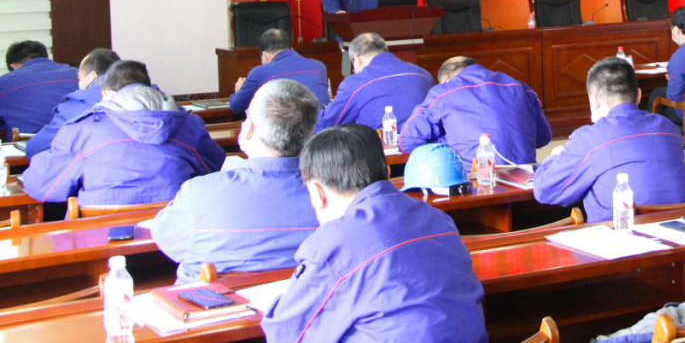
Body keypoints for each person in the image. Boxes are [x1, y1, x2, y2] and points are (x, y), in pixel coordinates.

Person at [261, 125, 486, 343]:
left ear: (317, 192)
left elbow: (286, 333)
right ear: (387, 173)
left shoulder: (335, 241)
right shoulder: (438, 218)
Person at [153, 79, 321, 282]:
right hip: (306, 299)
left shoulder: (199, 194)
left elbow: (166, 241)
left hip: (215, 301)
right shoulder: (332, 196)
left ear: (249, 128)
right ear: (312, 134)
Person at [21, 60, 225, 206]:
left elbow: (44, 187)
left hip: (100, 231)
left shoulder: (84, 128)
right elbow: (213, 170)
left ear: (106, 94)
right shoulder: (188, 124)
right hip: (172, 228)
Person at [534, 57, 685, 221]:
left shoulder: (589, 138)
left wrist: (554, 157)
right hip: (684, 228)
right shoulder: (668, 127)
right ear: (638, 96)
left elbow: (545, 191)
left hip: (622, 232)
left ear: (594, 100)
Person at [399, 57, 551, 166]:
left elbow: (407, 142)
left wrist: (448, 142)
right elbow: (543, 138)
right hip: (526, 178)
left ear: (446, 79)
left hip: (474, 180)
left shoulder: (442, 92)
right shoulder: (521, 87)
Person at [316, 33, 433, 131]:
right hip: (429, 146)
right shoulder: (424, 74)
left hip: (381, 149)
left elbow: (327, 123)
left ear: (357, 59)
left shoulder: (355, 84)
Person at [26, 48, 120, 157]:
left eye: (79, 78)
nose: (79, 82)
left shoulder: (78, 104)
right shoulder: (135, 97)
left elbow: (36, 148)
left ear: (93, 76)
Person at [229, 28, 330, 114]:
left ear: (264, 55)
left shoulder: (259, 73)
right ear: (292, 48)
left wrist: (239, 92)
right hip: (321, 129)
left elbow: (236, 106)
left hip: (286, 129)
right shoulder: (319, 67)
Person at [0, 40, 78, 136]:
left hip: (28, 142)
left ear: (13, 66)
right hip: (78, 139)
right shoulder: (77, 74)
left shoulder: (5, 82)